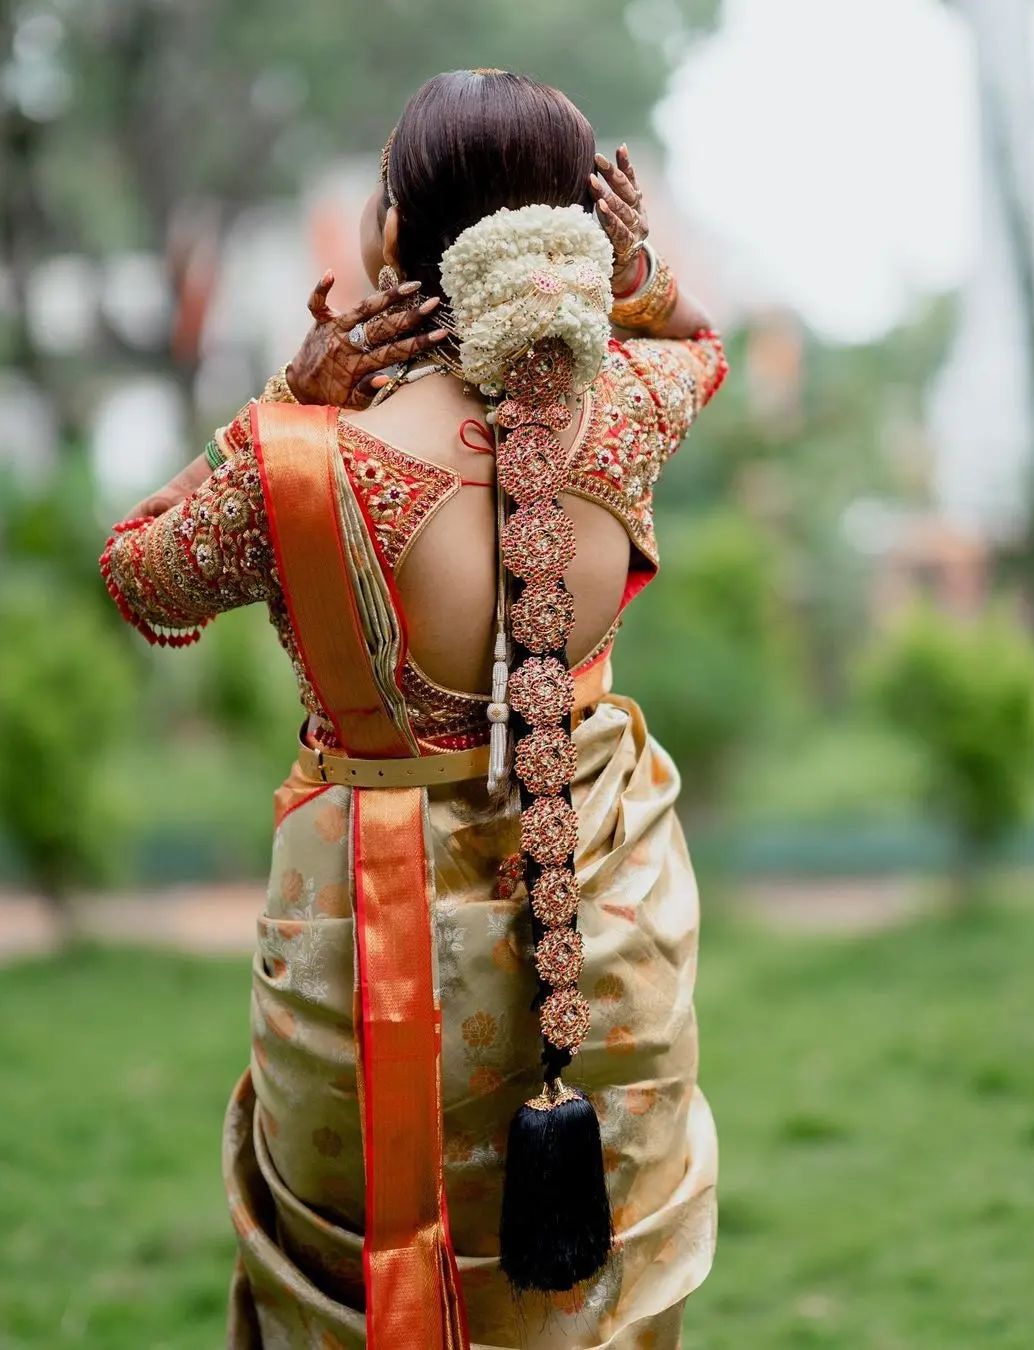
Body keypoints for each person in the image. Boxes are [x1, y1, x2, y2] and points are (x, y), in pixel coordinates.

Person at [101, 68, 726, 1350]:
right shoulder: (633, 409)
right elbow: (694, 349)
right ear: (576, 224)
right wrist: (640, 279)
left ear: (392, 237)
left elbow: (138, 569)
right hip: (604, 938)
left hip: (374, 965)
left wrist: (289, 397)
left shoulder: (310, 465)